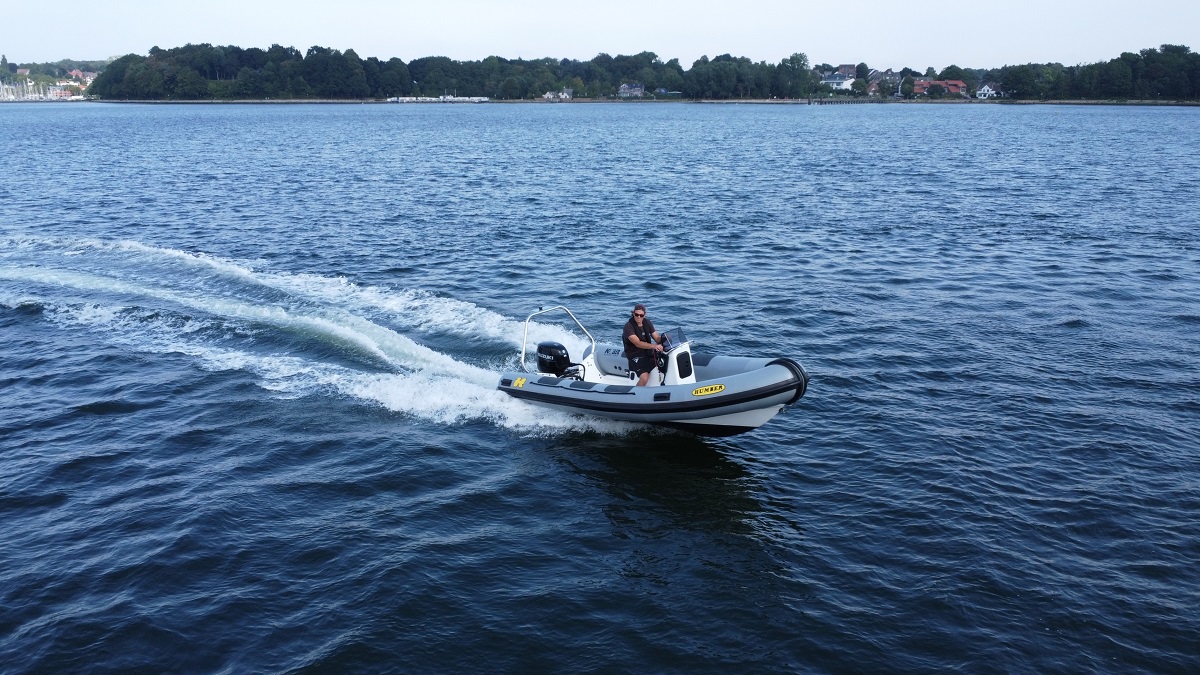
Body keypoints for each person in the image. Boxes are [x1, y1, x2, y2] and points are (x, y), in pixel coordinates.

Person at [622, 303, 664, 386]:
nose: (638, 317)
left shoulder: (647, 322)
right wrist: (654, 346)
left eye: (641, 315)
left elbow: (656, 338)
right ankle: (636, 392)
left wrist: (665, 339)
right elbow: (637, 343)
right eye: (636, 314)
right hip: (634, 354)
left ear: (644, 315)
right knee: (644, 377)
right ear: (633, 313)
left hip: (646, 351)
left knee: (662, 360)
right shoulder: (628, 327)